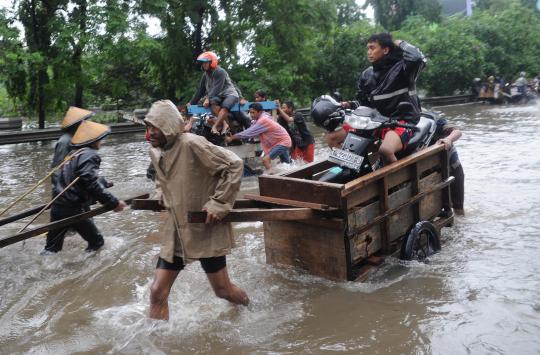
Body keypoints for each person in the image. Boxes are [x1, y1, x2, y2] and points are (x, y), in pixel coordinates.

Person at [144, 100, 249, 320]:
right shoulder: (156, 152)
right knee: (157, 292)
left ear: (169, 126)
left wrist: (219, 203)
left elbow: (234, 165)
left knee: (222, 291)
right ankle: (157, 344)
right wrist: (160, 193)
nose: (150, 133)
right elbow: (161, 180)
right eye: (148, 127)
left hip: (204, 226)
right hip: (176, 231)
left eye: (156, 127)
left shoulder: (192, 143)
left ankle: (249, 309)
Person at [339, 32, 426, 164]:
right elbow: (363, 103)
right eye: (368, 48)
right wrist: (349, 105)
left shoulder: (403, 69)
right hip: (377, 122)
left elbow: (416, 58)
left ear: (385, 50)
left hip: (403, 121)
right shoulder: (367, 75)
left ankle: (396, 182)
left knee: (385, 150)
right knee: (344, 144)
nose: (369, 52)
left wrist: (401, 43)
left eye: (372, 48)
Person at [42, 121, 127, 254]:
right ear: (94, 141)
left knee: (52, 248)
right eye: (100, 140)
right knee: (97, 242)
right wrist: (113, 203)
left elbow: (77, 179)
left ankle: (45, 267)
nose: (101, 143)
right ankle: (83, 268)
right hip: (73, 208)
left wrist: (102, 182)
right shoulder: (90, 154)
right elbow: (90, 182)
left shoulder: (74, 154)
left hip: (58, 204)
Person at [188, 51, 244, 135]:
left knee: (225, 106)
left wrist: (207, 98)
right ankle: (225, 125)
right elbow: (200, 90)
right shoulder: (205, 75)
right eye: (203, 63)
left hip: (230, 94)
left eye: (206, 63)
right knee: (213, 102)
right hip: (218, 96)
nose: (204, 65)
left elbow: (217, 88)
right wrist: (191, 102)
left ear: (212, 62)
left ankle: (216, 126)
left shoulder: (220, 71)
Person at [225, 102, 292, 170]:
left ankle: (273, 178)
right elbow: (252, 132)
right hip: (280, 141)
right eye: (250, 112)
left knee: (265, 160)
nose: (251, 115)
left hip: (282, 142)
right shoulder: (262, 117)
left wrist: (231, 138)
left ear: (260, 112)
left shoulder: (263, 120)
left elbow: (248, 133)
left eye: (253, 112)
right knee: (287, 166)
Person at [50, 107, 94, 188]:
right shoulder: (65, 141)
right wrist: (60, 190)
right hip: (67, 186)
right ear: (78, 124)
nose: (86, 124)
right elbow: (57, 169)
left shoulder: (78, 138)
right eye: (84, 121)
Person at [431, 117, 465, 216]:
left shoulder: (434, 120)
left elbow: (457, 131)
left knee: (458, 210)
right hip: (432, 174)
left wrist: (448, 139)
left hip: (453, 168)